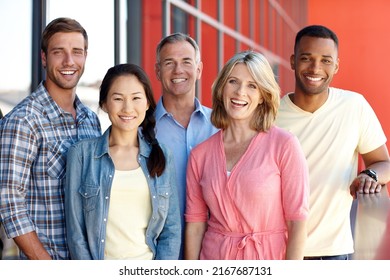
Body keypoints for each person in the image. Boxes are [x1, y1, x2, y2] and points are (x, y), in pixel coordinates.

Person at [275, 25, 390, 260]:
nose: (316, 68)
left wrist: (369, 175)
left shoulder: (354, 106)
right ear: (293, 61)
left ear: (336, 66)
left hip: (333, 253)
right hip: (277, 251)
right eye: (307, 58)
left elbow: (384, 163)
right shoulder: (271, 114)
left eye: (326, 60)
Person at [185, 51, 310, 260]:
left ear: (263, 96)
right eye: (233, 81)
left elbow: (297, 223)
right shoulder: (200, 155)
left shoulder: (284, 145)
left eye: (252, 85)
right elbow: (196, 226)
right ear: (222, 88)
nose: (240, 92)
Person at [0, 17, 101, 260]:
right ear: (44, 58)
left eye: (77, 52)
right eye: (59, 52)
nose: (69, 61)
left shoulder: (91, 120)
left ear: (85, 56)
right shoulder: (23, 120)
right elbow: (9, 202)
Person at [65, 63, 181, 260]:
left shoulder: (162, 154)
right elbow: (76, 234)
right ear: (104, 104)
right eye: (118, 98)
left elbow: (171, 230)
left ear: (146, 103)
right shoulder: (81, 155)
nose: (128, 108)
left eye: (136, 98)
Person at [154, 32, 218, 256]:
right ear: (158, 71)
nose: (178, 70)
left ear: (199, 70)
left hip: (215, 252)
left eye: (186, 62)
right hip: (159, 253)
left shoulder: (221, 126)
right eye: (169, 63)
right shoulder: (142, 130)